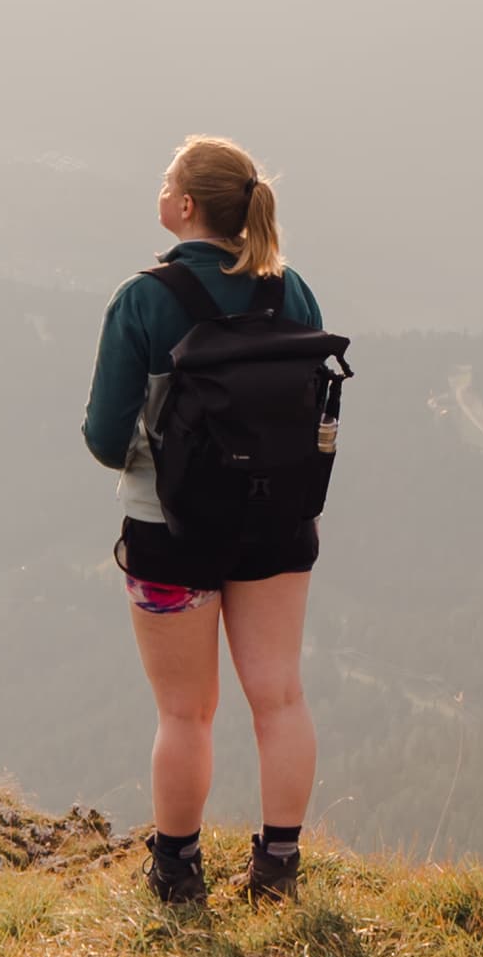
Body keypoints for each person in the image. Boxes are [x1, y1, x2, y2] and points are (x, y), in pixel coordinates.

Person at [84, 137, 324, 905]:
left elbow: (103, 436)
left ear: (185, 206)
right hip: (278, 525)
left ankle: (179, 872)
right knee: (280, 698)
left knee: (185, 712)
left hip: (169, 531)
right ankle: (278, 868)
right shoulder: (292, 292)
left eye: (166, 181)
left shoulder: (144, 300)